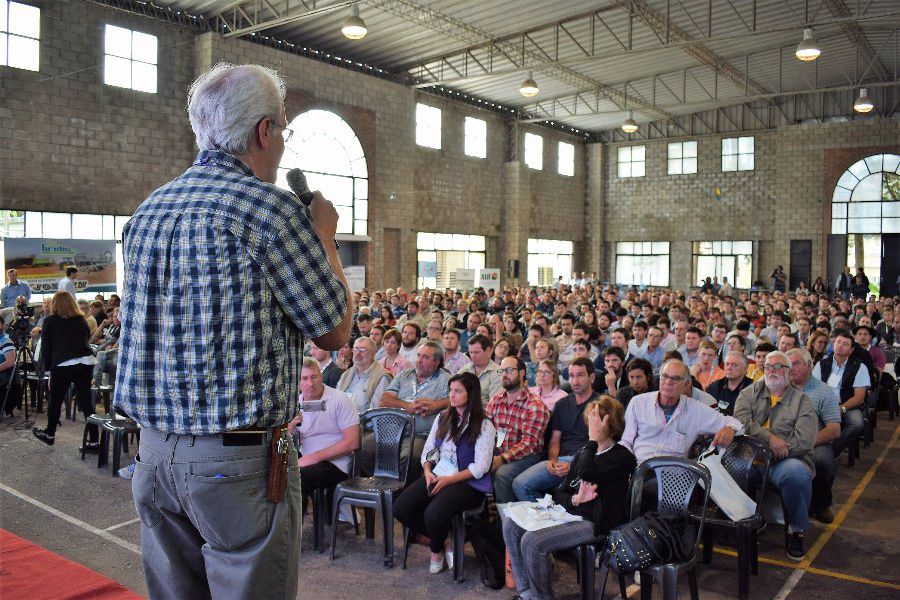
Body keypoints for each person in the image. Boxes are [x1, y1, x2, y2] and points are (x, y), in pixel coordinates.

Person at [114, 64, 352, 600]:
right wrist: (325, 239)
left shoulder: (150, 209)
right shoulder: (268, 210)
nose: (283, 143)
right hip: (237, 466)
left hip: (153, 454)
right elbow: (335, 330)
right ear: (263, 132)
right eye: (284, 129)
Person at [503, 395, 636, 600]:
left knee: (532, 541)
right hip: (571, 513)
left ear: (611, 422)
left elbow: (587, 473)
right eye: (591, 418)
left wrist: (592, 441)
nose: (592, 423)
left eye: (597, 418)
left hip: (598, 522)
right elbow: (561, 493)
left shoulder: (623, 457)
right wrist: (575, 500)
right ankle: (527, 592)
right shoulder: (585, 452)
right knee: (511, 525)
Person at [393, 372, 496, 574]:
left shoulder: (484, 424)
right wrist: (428, 470)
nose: (452, 395)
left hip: (467, 482)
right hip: (440, 473)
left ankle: (435, 550)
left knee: (433, 514)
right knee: (401, 508)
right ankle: (443, 541)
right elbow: (429, 451)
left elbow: (481, 467)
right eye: (450, 391)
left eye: (458, 391)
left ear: (471, 394)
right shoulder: (442, 417)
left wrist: (449, 480)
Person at [734, 351, 818, 562]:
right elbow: (740, 422)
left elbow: (804, 441)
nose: (771, 371)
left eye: (778, 366)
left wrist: (776, 451)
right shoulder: (748, 393)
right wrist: (770, 440)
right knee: (722, 467)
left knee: (796, 474)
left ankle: (796, 530)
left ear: (788, 372)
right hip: (751, 458)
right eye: (768, 366)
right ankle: (744, 520)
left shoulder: (803, 401)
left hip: (786, 460)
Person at [620, 359, 741, 466]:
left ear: (686, 384)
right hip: (637, 467)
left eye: (675, 378)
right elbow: (626, 441)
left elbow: (735, 423)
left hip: (673, 476)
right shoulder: (638, 403)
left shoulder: (696, 410)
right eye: (665, 376)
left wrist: (730, 428)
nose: (668, 382)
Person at [512, 357, 597, 501]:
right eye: (571, 376)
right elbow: (555, 440)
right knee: (520, 484)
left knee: (571, 493)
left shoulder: (600, 404)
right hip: (559, 461)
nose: (575, 381)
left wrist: (573, 465)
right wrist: (552, 460)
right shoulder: (562, 404)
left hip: (586, 464)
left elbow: (601, 445)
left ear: (592, 377)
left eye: (580, 375)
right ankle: (547, 517)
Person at [287, 358, 360, 508]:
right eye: (304, 378)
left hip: (336, 463)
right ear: (298, 382)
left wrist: (313, 457)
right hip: (306, 457)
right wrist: (290, 428)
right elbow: (286, 442)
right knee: (273, 472)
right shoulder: (296, 403)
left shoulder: (339, 399)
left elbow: (352, 442)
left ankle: (295, 527)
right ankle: (288, 525)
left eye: (314, 377)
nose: (310, 383)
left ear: (321, 376)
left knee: (295, 477)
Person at [32, 292, 99, 446]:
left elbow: (46, 348)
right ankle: (94, 441)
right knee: (86, 402)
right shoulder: (81, 319)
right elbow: (86, 337)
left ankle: (49, 435)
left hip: (63, 365)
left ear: (55, 304)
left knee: (55, 401)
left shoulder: (50, 321)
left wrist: (48, 373)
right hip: (85, 362)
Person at [787, 348, 841, 524]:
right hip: (782, 438)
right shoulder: (779, 387)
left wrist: (807, 443)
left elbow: (834, 429)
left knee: (823, 461)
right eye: (789, 364)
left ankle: (821, 504)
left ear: (810, 366)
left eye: (797, 363)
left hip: (814, 440)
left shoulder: (824, 391)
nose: (791, 368)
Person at [486, 356, 551, 503]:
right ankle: (485, 512)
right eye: (501, 371)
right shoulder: (496, 401)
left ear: (522, 373)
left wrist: (502, 459)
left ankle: (508, 517)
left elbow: (529, 443)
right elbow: (486, 431)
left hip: (527, 457)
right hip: (501, 452)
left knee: (502, 473)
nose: (504, 374)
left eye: (509, 370)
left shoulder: (535, 405)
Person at [811, 329, 869, 458]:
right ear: (833, 345)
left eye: (845, 344)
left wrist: (841, 408)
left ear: (851, 350)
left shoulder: (859, 366)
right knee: (811, 420)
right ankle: (814, 451)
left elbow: (859, 397)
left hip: (847, 405)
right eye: (838, 342)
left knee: (857, 423)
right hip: (823, 404)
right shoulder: (822, 364)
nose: (840, 346)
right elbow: (814, 388)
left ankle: (832, 451)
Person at [336, 336, 391, 414]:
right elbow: (337, 400)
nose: (358, 353)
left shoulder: (382, 377)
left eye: (362, 350)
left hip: (365, 423)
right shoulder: (346, 374)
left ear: (373, 353)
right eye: (355, 349)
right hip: (343, 419)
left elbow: (375, 412)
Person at [458, 334, 503, 403]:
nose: (473, 356)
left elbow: (494, 405)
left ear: (489, 351)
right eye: (471, 352)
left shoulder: (498, 373)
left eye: (476, 352)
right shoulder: (464, 370)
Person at [706, 351, 753, 415]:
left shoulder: (753, 389)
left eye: (734, 365)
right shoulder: (715, 386)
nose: (729, 368)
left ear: (745, 369)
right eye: (727, 364)